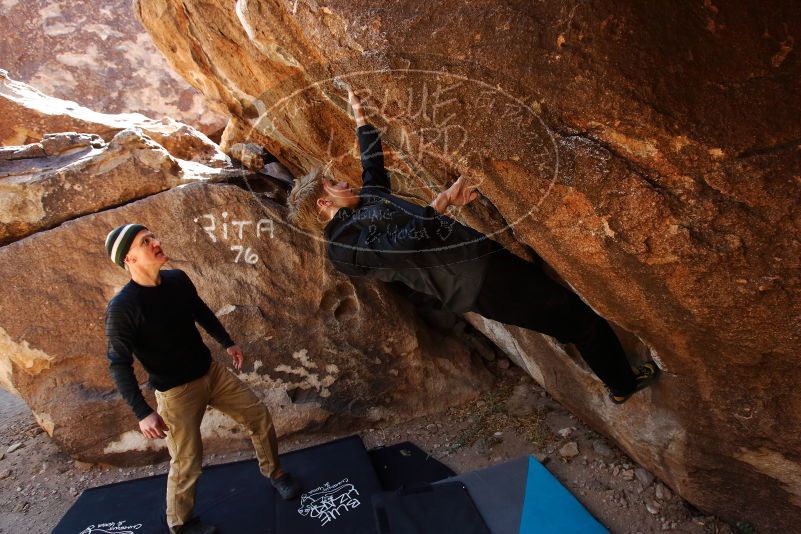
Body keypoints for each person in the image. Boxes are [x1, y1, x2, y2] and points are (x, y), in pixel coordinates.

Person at [288, 87, 660, 404]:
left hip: (480, 260)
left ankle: (598, 359)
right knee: (580, 321)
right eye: (335, 185)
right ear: (324, 204)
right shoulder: (344, 246)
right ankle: (622, 386)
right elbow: (399, 247)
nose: (344, 184)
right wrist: (442, 203)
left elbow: (373, 168)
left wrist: (359, 115)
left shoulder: (365, 205)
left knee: (556, 309)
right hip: (475, 282)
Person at [103, 224, 300, 534]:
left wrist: (227, 342)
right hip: (175, 393)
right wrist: (142, 412)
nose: (156, 241)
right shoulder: (123, 307)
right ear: (129, 259)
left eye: (154, 235)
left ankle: (276, 474)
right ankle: (179, 524)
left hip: (212, 373)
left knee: (258, 416)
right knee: (186, 461)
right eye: (145, 241)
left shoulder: (176, 280)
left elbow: (200, 311)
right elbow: (118, 362)